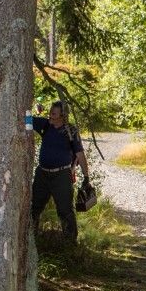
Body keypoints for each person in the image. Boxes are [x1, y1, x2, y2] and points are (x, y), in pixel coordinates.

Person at [30, 100, 87, 244]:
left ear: (62, 115)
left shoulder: (71, 131)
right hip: (42, 174)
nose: (50, 115)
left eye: (54, 113)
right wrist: (33, 106)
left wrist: (86, 177)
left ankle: (70, 244)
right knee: (35, 208)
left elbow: (80, 154)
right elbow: (25, 119)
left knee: (65, 210)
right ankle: (31, 241)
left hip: (62, 176)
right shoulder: (45, 125)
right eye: (50, 112)